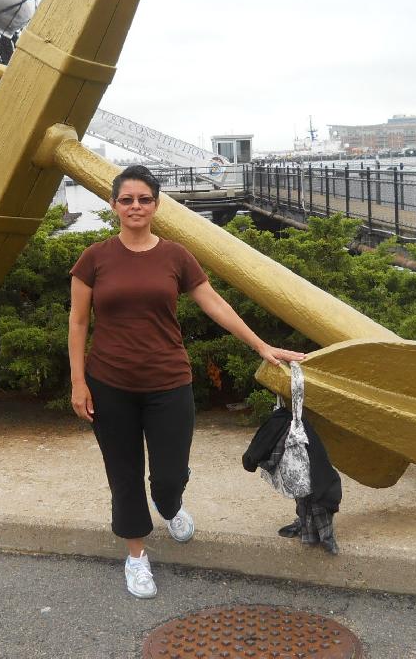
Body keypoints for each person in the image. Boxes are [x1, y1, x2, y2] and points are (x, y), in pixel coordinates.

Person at [68, 164, 306, 599]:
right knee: (123, 475)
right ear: (113, 205)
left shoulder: (175, 256)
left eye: (144, 199)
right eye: (127, 199)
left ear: (156, 205)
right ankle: (136, 556)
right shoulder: (95, 258)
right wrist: (78, 382)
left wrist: (260, 345)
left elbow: (213, 302)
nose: (135, 206)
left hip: (169, 382)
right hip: (110, 385)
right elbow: (79, 321)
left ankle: (170, 503)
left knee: (169, 474)